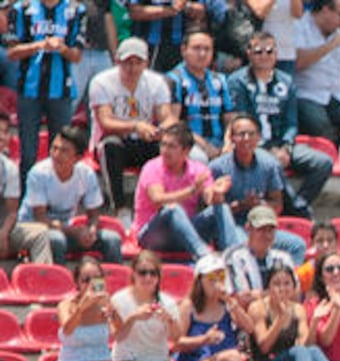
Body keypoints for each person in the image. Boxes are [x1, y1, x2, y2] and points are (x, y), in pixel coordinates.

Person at [228, 31, 334, 220]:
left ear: (276, 54)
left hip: (280, 143)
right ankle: (300, 213)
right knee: (272, 163)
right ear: (249, 53)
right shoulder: (237, 81)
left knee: (323, 163)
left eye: (269, 51)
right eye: (258, 51)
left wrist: (286, 146)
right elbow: (241, 120)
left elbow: (292, 122)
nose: (264, 56)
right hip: (252, 145)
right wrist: (263, 148)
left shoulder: (286, 81)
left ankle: (297, 205)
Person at [89, 37, 177, 225]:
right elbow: (105, 121)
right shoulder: (101, 82)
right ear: (118, 61)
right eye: (128, 62)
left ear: (146, 63)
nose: (133, 68)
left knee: (167, 146)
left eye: (138, 63)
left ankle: (162, 201)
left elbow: (167, 117)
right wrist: (135, 125)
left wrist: (160, 130)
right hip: (113, 140)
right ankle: (120, 207)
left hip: (143, 139)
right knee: (111, 146)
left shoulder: (156, 82)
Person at [175, 253, 272, 361]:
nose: (217, 282)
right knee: (232, 356)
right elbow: (177, 343)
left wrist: (230, 302)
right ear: (201, 281)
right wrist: (203, 340)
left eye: (220, 276)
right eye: (211, 278)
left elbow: (249, 328)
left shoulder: (227, 305)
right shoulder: (188, 307)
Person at [208, 113, 308, 265]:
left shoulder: (269, 164)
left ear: (259, 137)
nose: (246, 138)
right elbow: (210, 210)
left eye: (251, 134)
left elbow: (277, 203)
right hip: (233, 227)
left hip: (261, 225)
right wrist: (241, 205)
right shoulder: (218, 167)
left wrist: (260, 205)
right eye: (241, 134)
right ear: (232, 138)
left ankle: (282, 281)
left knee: (297, 245)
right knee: (242, 248)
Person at [5, 0, 84, 184]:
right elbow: (11, 52)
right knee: (28, 153)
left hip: (61, 92)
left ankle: (56, 199)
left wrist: (61, 47)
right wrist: (39, 45)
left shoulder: (75, 10)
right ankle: (28, 201)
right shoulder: (21, 9)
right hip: (29, 91)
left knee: (61, 152)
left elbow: (77, 56)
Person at [134, 122, 241, 258]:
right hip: (153, 234)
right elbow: (157, 199)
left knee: (222, 208)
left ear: (186, 151)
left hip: (185, 231)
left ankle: (235, 257)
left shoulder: (199, 170)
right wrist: (191, 191)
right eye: (163, 145)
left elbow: (209, 198)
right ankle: (204, 257)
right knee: (173, 209)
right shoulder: (152, 167)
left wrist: (217, 193)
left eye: (171, 146)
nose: (165, 150)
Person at [19, 125, 123, 266]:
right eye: (54, 148)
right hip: (36, 232)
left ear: (78, 157)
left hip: (66, 230)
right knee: (57, 240)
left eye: (64, 151)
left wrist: (91, 231)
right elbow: (41, 219)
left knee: (112, 239)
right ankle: (59, 284)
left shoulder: (86, 174)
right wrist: (75, 232)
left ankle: (115, 284)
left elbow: (93, 214)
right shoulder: (39, 174)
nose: (56, 155)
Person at [110, 250, 199, 361]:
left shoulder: (168, 302)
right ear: (134, 274)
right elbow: (117, 336)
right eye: (142, 273)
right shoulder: (119, 300)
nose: (148, 278)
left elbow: (176, 338)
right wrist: (133, 318)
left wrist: (170, 321)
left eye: (153, 273)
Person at [57, 257, 140, 361]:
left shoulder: (105, 304)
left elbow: (119, 332)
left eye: (96, 279)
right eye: (85, 280)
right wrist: (82, 308)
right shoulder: (67, 305)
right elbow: (67, 329)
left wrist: (113, 312)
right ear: (77, 283)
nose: (90, 285)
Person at [294, 0, 340, 145]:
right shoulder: (299, 26)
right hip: (307, 95)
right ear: (326, 10)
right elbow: (298, 62)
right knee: (320, 124)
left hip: (336, 96)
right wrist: (331, 45)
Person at [166, 30, 235, 163]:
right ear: (184, 50)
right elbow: (173, 121)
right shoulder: (174, 80)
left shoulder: (220, 80)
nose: (202, 54)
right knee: (199, 158)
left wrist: (227, 144)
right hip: (187, 142)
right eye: (196, 48)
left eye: (207, 49)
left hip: (219, 141)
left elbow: (230, 119)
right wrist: (205, 145)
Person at [0, 113, 51, 264]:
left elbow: (12, 212)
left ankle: (44, 283)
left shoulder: (9, 168)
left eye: (5, 132)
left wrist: (3, 234)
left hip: (2, 229)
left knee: (40, 233)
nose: (2, 137)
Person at [224, 205, 297, 305]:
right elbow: (239, 298)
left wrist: (258, 295)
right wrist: (275, 294)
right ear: (248, 228)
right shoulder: (234, 257)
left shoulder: (283, 258)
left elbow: (295, 294)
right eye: (261, 229)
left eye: (270, 230)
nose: (267, 235)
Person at [127, 0, 203, 72]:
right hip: (150, 45)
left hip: (181, 46)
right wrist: (171, 10)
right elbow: (134, 12)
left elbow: (200, 10)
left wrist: (187, 5)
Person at [297, 221, 338, 296]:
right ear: (312, 243)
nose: (325, 245)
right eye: (320, 241)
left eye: (330, 240)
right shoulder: (304, 273)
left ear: (336, 243)